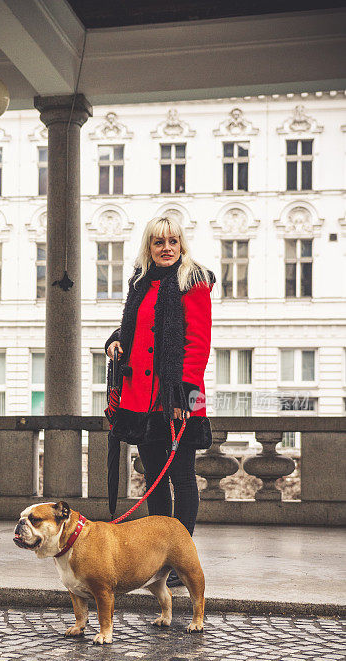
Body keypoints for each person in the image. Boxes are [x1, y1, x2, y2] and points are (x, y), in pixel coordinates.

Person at [105, 215, 215, 587]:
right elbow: (134, 328)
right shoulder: (141, 282)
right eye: (158, 242)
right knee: (154, 478)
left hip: (177, 398)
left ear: (181, 244)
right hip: (141, 400)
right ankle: (159, 560)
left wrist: (185, 394)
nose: (166, 248)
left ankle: (181, 561)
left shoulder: (192, 281)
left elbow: (198, 343)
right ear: (148, 247)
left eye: (172, 241)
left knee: (182, 477)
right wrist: (115, 341)